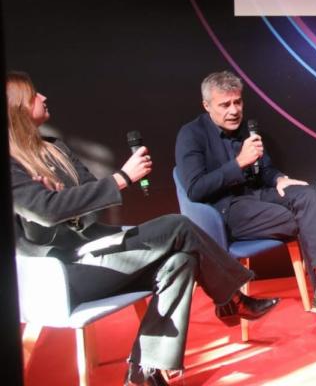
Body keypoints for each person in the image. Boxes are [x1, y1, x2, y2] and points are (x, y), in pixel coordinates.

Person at [8, 72, 279, 386]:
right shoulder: (12, 164)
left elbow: (91, 196)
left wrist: (63, 198)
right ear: (17, 108)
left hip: (96, 253)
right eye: (33, 96)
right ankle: (232, 297)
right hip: (61, 272)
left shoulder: (56, 148)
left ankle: (144, 371)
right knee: (177, 225)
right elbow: (44, 213)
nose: (43, 98)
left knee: (182, 261)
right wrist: (122, 177)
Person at [175, 71, 316, 339]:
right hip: (224, 209)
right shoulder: (191, 134)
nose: (234, 110)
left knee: (306, 194)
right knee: (304, 222)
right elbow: (195, 189)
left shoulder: (245, 130)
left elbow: (265, 169)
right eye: (225, 105)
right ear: (207, 105)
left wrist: (279, 178)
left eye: (238, 102)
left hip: (258, 196)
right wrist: (238, 164)